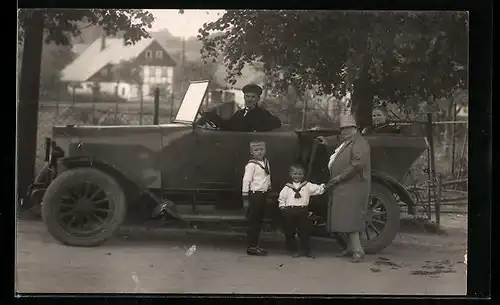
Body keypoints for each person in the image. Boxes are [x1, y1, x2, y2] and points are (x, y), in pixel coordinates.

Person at [317, 114, 371, 263]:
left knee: (350, 218)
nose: (345, 131)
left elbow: (357, 164)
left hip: (352, 184)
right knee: (344, 217)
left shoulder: (359, 142)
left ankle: (358, 251)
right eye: (343, 129)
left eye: (348, 128)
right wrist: (326, 141)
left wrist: (340, 177)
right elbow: (338, 142)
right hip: (345, 185)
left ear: (355, 129)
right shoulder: (348, 141)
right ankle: (350, 248)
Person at [278, 164, 326, 258]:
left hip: (302, 210)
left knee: (305, 231)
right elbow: (282, 197)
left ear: (303, 175)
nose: (297, 176)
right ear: (291, 174)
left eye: (300, 174)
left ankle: (305, 250)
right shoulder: (287, 187)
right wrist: (282, 207)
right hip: (290, 210)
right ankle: (292, 249)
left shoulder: (307, 185)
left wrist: (324, 187)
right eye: (295, 173)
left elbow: (318, 189)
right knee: (290, 230)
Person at [197, 84, 282, 132]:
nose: (249, 100)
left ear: (258, 99)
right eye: (247, 96)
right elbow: (228, 126)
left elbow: (277, 123)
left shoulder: (262, 114)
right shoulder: (240, 113)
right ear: (244, 97)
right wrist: (210, 116)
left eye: (253, 97)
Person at [242, 140, 272, 256]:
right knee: (254, 221)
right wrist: (245, 196)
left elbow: (268, 176)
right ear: (251, 152)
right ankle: (252, 246)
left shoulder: (266, 162)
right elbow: (246, 180)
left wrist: (269, 186)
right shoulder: (251, 165)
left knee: (259, 220)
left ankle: (256, 245)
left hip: (263, 193)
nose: (259, 152)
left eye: (261, 149)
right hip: (255, 194)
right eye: (256, 150)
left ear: (265, 150)